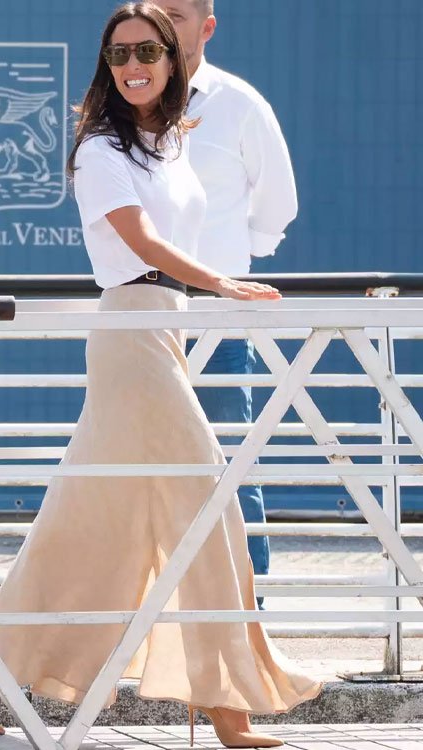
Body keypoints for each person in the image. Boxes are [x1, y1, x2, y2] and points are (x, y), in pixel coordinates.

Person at [0, 4, 321, 748]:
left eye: (147, 50)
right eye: (118, 54)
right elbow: (139, 241)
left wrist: (211, 290)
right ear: (107, 67)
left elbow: (223, 218)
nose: (132, 64)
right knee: (209, 507)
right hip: (133, 335)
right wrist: (225, 283)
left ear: (174, 57)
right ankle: (228, 706)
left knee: (89, 529)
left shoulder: (166, 143)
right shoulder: (102, 147)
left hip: (165, 328)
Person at [153, 0, 299, 607]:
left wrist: (233, 267)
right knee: (136, 454)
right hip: (143, 310)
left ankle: (246, 600)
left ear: (207, 27)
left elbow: (277, 202)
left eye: (178, 15)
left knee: (227, 448)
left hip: (216, 312)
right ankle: (149, 603)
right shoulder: (121, 102)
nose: (164, 25)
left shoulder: (239, 103)